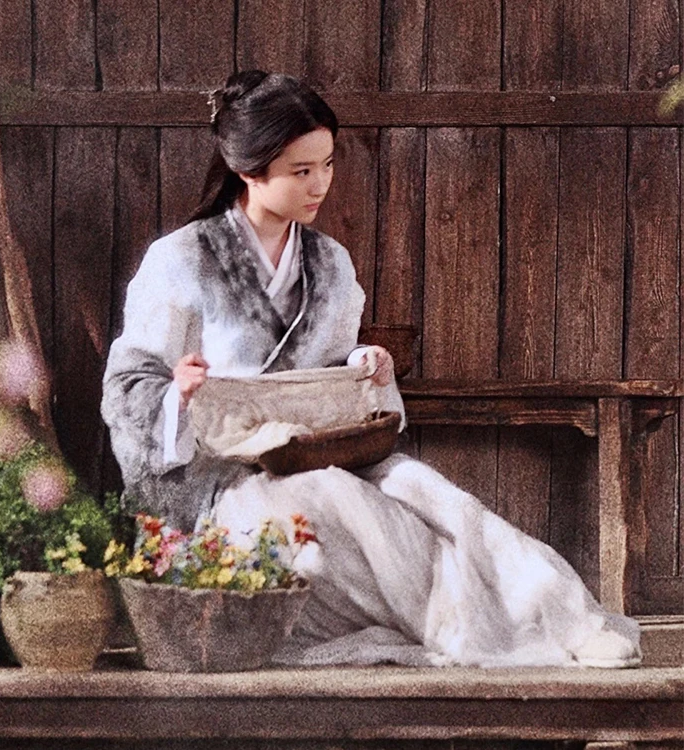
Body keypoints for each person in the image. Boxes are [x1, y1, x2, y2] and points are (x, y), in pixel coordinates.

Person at [102, 70, 641, 668]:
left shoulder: (330, 263)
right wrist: (177, 393)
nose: (320, 185)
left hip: (318, 451)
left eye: (327, 165)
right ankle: (476, 633)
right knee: (336, 501)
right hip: (219, 485)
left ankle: (565, 617)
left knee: (426, 490)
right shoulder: (180, 259)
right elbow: (127, 386)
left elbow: (334, 374)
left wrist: (364, 366)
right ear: (249, 171)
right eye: (301, 171)